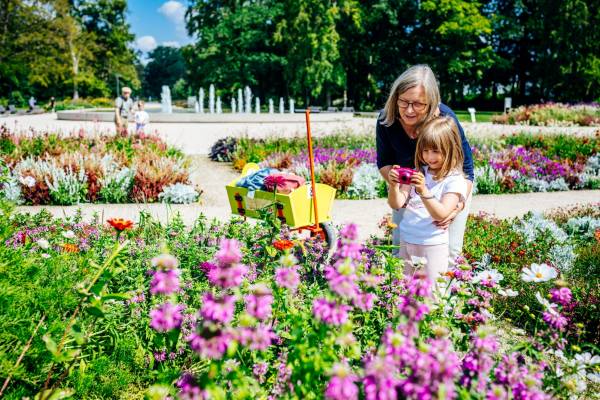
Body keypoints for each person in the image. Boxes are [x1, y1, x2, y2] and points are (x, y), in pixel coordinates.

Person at [376, 65, 474, 265]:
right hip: (409, 186)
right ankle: (405, 294)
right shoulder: (387, 119)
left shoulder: (445, 119)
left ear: (431, 103)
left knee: (449, 252)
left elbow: (467, 170)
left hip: (447, 189)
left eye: (418, 104)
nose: (409, 110)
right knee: (401, 248)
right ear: (395, 97)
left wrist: (456, 207)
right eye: (403, 102)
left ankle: (445, 295)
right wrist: (403, 187)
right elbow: (384, 162)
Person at [387, 117, 467, 280]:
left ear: (451, 148)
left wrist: (423, 190)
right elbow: (396, 203)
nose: (429, 157)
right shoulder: (418, 172)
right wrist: (394, 186)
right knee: (405, 288)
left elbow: (442, 213)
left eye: (436, 151)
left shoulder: (454, 179)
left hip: (432, 244)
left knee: (431, 292)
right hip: (407, 239)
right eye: (425, 150)